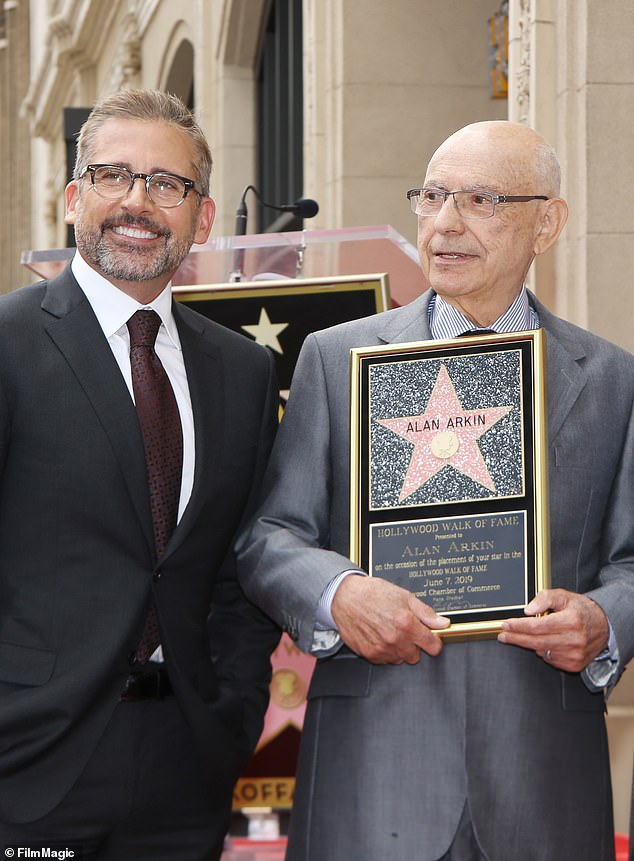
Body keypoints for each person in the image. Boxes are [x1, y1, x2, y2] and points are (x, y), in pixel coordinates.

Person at [238, 120, 634, 861]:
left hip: (541, 781)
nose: (445, 223)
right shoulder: (334, 358)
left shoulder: (613, 380)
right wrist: (340, 594)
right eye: (432, 196)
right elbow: (269, 535)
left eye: (480, 199)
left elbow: (632, 562)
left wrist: (605, 621)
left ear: (546, 221)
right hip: (370, 774)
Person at [0, 88, 280, 860]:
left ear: (203, 217)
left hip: (186, 768)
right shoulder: (9, 344)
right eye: (113, 175)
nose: (137, 201)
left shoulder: (244, 371)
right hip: (26, 767)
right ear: (73, 198)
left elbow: (238, 571)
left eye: (167, 183)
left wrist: (235, 714)